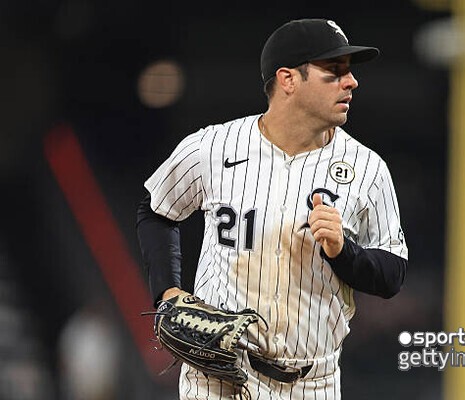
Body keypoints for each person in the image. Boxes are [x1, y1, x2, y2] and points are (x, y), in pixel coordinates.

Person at [136, 18, 408, 400]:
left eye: (348, 72)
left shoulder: (367, 168)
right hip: (218, 377)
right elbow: (156, 210)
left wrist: (343, 252)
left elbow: (392, 274)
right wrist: (167, 292)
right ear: (288, 79)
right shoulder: (213, 147)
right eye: (334, 71)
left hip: (313, 382)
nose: (351, 82)